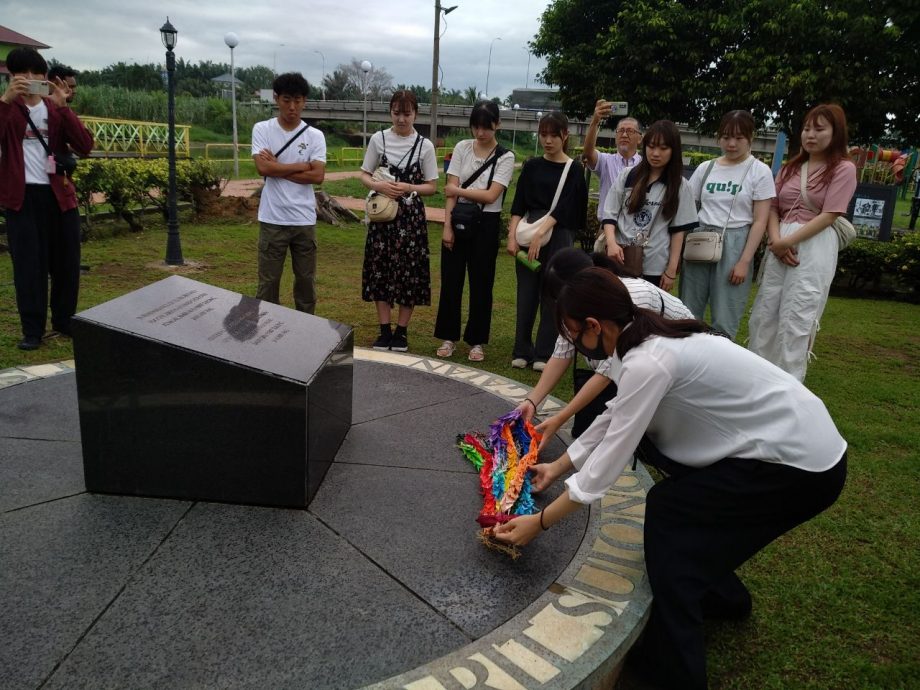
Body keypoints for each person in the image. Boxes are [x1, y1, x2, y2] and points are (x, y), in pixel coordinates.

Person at [494, 267, 847, 690]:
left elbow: (603, 470)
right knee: (677, 511)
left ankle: (676, 672)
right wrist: (558, 466)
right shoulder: (641, 339)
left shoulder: (650, 359)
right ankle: (726, 600)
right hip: (795, 449)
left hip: (797, 464)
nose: (573, 346)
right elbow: (615, 417)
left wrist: (542, 521)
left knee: (673, 532)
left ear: (593, 325)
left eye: (572, 335)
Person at [516, 247, 693, 445]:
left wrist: (559, 419)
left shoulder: (631, 296)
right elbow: (561, 354)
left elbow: (606, 373)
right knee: (588, 433)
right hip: (635, 368)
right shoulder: (579, 304)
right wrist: (531, 401)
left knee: (623, 436)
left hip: (681, 368)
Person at [748, 104, 857, 381]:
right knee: (765, 313)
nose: (810, 135)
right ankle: (755, 381)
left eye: (819, 129)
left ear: (836, 133)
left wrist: (788, 242)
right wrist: (776, 240)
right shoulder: (791, 168)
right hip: (780, 240)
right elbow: (773, 206)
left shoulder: (843, 169)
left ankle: (789, 387)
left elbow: (831, 214)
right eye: (807, 128)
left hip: (814, 245)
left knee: (798, 316)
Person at [0, 47, 93, 350]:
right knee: (29, 266)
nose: (29, 79)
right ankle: (32, 329)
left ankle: (65, 321)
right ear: (11, 77)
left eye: (36, 73)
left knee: (67, 263)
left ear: (45, 76)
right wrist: (4, 101)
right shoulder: (8, 109)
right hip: (22, 198)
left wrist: (64, 107)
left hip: (60, 196)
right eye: (21, 74)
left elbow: (84, 146)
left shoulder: (54, 109)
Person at [679, 110, 775, 339]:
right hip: (700, 239)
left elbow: (760, 220)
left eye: (739, 138)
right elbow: (687, 207)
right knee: (688, 312)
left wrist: (744, 261)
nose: (731, 144)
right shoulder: (707, 168)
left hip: (736, 242)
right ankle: (687, 361)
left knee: (725, 316)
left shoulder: (759, 171)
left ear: (751, 138)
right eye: (726, 137)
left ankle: (719, 366)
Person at [506, 111, 588, 371]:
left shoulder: (574, 169)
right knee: (526, 293)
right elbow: (518, 204)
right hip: (529, 230)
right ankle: (522, 349)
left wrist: (544, 232)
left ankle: (544, 352)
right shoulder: (531, 165)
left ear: (565, 135)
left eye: (554, 134)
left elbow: (570, 208)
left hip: (558, 234)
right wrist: (511, 236)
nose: (548, 140)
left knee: (553, 294)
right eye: (544, 134)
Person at [435, 101, 515, 362]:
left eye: (486, 128)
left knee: (482, 284)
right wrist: (447, 226)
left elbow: (491, 195)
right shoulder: (461, 148)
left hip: (486, 224)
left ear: (497, 125)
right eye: (476, 127)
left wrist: (458, 191)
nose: (480, 133)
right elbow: (449, 188)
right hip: (458, 219)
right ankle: (448, 337)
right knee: (451, 280)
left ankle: (477, 341)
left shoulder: (506, 156)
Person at [360, 90, 439, 352]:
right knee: (380, 270)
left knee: (410, 274)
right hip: (383, 218)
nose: (402, 119)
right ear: (390, 112)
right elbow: (364, 174)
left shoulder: (425, 145)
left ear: (416, 113)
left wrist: (406, 186)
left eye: (407, 113)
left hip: (411, 218)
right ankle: (384, 331)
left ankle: (401, 332)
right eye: (396, 113)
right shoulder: (378, 139)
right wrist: (379, 185)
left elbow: (431, 186)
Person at [251, 72, 326, 314]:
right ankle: (266, 331)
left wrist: (277, 167)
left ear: (304, 100)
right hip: (272, 219)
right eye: (286, 100)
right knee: (268, 283)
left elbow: (318, 176)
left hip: (304, 219)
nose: (292, 107)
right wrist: (302, 165)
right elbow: (263, 167)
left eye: (297, 100)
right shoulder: (262, 129)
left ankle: (306, 332)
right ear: (276, 98)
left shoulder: (315, 135)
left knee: (306, 282)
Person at [599, 120, 697, 291]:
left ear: (674, 150)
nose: (656, 153)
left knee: (647, 314)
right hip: (620, 258)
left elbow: (678, 231)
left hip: (655, 264)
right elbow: (610, 213)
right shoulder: (628, 175)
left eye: (663, 148)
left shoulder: (681, 186)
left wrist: (671, 270)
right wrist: (611, 243)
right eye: (651, 147)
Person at [582, 100, 641, 222]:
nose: (624, 135)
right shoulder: (606, 162)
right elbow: (588, 153)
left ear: (640, 138)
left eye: (630, 131)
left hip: (634, 230)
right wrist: (595, 122)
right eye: (620, 131)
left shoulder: (645, 165)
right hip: (607, 227)